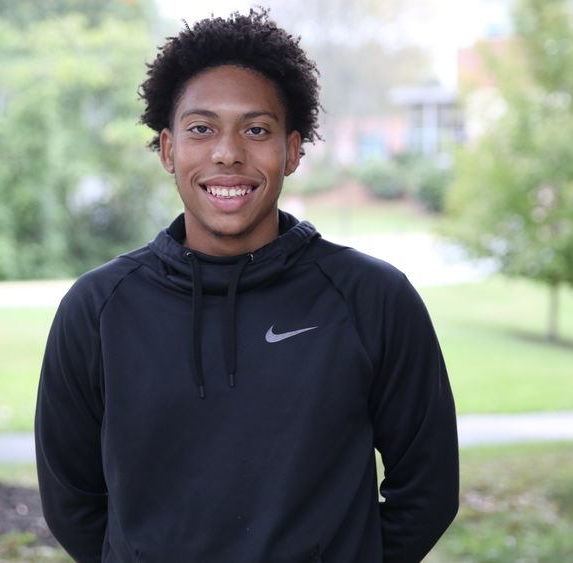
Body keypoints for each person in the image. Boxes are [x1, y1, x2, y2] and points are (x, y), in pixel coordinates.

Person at [35, 8, 459, 563]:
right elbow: (73, 498)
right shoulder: (96, 309)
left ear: (292, 150)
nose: (227, 152)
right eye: (201, 128)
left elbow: (426, 490)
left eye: (256, 129)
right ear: (168, 149)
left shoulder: (372, 298)